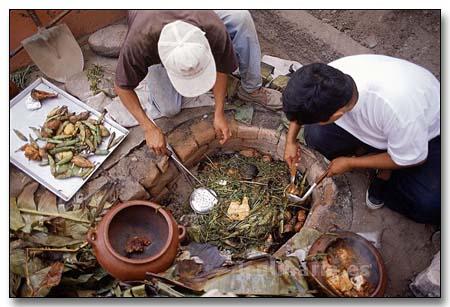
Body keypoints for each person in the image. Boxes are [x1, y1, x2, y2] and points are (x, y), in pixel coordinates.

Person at [282, 54, 440, 224]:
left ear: (337, 115)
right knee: (315, 136)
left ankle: (384, 173)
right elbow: (301, 107)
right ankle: (373, 153)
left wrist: (351, 163)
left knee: (428, 205)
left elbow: (413, 159)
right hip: (379, 128)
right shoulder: (327, 78)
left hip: (425, 134)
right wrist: (291, 141)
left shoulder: (398, 110)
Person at [115, 10, 281, 156]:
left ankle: (251, 89)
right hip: (152, 23)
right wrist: (148, 127)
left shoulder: (212, 26)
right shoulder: (138, 43)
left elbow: (221, 67)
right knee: (169, 108)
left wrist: (219, 112)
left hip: (195, 14)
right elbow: (122, 87)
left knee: (241, 17)